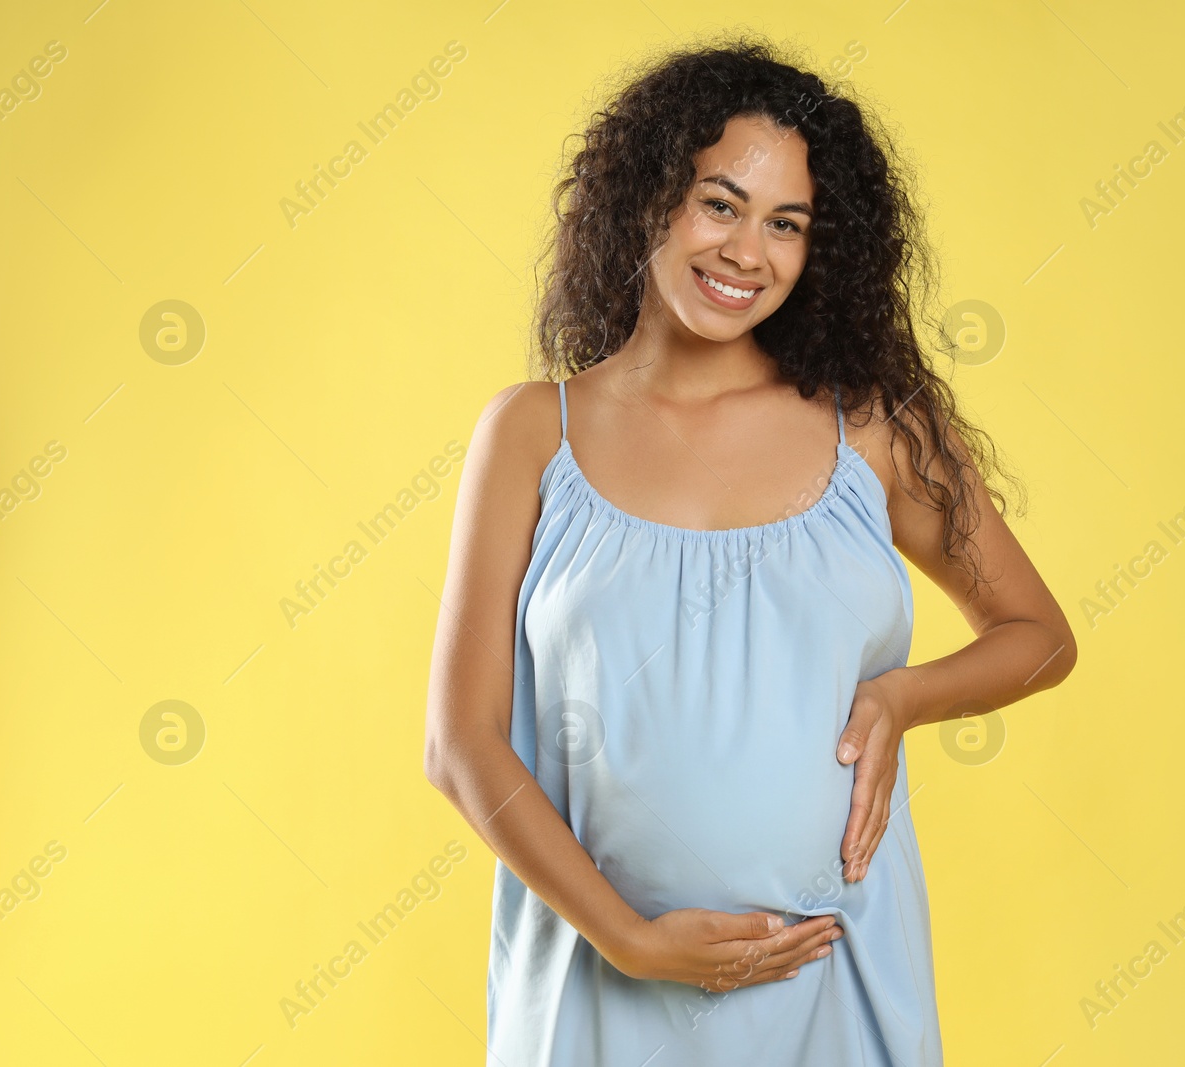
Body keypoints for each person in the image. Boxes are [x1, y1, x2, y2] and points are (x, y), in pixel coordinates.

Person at [424, 36, 1077, 1066]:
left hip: (834, 970)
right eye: (719, 204)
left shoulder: (873, 430)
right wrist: (626, 936)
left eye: (787, 225)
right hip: (596, 986)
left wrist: (903, 697)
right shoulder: (530, 434)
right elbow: (462, 742)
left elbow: (1037, 635)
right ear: (650, 195)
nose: (746, 252)